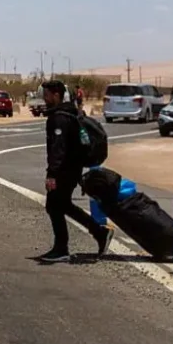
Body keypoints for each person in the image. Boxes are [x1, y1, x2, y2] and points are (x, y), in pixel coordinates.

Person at [38, 79, 112, 263]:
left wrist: (52, 174)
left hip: (64, 171)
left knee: (54, 206)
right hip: (71, 169)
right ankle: (100, 233)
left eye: (46, 95)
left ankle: (61, 248)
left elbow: (58, 149)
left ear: (56, 95)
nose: (44, 99)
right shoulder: (69, 113)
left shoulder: (60, 118)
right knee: (63, 206)